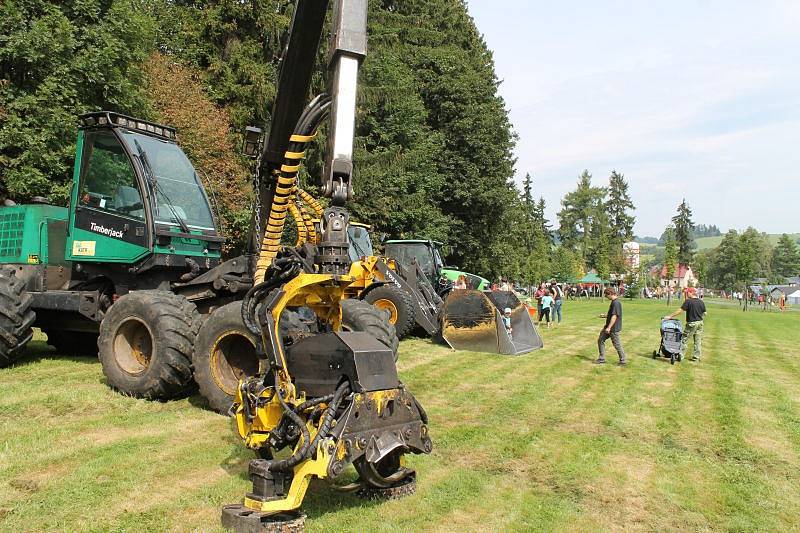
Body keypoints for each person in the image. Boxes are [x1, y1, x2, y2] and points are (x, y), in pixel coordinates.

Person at [664, 286, 706, 362]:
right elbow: (704, 313)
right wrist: (699, 319)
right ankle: (696, 357)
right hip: (700, 323)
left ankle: (680, 356)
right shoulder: (701, 302)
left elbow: (680, 311)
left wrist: (670, 316)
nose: (686, 294)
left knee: (684, 339)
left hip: (691, 324)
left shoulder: (688, 301)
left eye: (687, 293)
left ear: (691, 293)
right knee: (697, 340)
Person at [595, 287, 626, 365]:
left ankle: (623, 361)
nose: (606, 297)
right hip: (608, 327)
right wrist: (605, 316)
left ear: (610, 294)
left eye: (606, 295)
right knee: (600, 340)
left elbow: (614, 316)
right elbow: (612, 314)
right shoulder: (614, 302)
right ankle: (602, 358)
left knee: (617, 344)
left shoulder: (616, 303)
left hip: (613, 328)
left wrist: (609, 327)